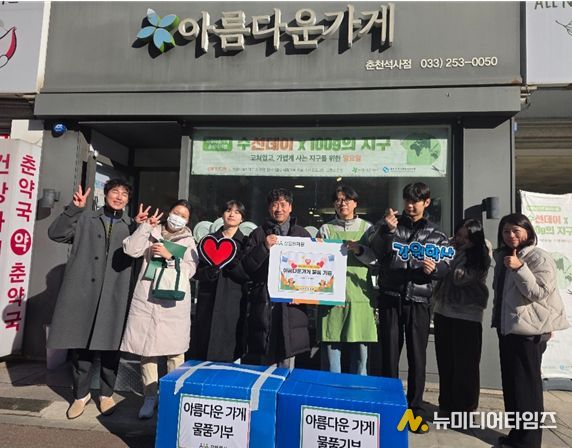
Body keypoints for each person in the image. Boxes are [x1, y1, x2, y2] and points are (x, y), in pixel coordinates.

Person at [47, 178, 138, 419]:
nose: (119, 197)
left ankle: (106, 394)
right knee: (82, 347)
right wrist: (74, 209)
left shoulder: (131, 224)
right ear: (105, 194)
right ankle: (81, 395)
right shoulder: (86, 218)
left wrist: (141, 228)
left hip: (115, 293)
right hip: (84, 293)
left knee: (111, 348)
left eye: (124, 194)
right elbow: (56, 234)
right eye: (115, 192)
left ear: (128, 200)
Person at [369, 182, 450, 432]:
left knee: (417, 356)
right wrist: (389, 232)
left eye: (416, 201)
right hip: (391, 297)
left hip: (419, 300)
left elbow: (446, 264)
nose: (411, 205)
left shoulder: (436, 233)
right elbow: (376, 252)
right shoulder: (389, 225)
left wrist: (435, 269)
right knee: (389, 354)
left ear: (426, 203)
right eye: (408, 200)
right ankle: (389, 407)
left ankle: (415, 410)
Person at [492, 213, 569, 448]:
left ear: (528, 231)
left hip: (530, 333)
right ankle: (517, 434)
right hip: (509, 329)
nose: (511, 235)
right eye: (506, 231)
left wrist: (520, 268)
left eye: (516, 230)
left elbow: (539, 292)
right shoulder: (505, 256)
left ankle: (529, 441)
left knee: (527, 389)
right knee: (513, 386)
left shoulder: (538, 257)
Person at [121, 200, 199, 419]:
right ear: (168, 212)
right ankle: (149, 397)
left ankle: (172, 397)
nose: (178, 217)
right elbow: (131, 250)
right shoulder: (152, 231)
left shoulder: (189, 241)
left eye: (183, 215)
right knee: (147, 350)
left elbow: (191, 270)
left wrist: (170, 256)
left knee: (175, 352)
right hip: (148, 297)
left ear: (188, 221)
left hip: (173, 301)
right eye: (176, 212)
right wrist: (145, 226)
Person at [242, 188, 311, 368]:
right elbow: (247, 267)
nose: (279, 209)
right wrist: (264, 247)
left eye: (283, 204)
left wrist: (303, 295)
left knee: (288, 360)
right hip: (265, 302)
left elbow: (311, 271)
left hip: (292, 307)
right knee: (265, 359)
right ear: (269, 208)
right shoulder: (258, 234)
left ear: (290, 207)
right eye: (274, 205)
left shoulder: (302, 235)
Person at [433, 218, 491, 415]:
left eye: (466, 238)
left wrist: (450, 256)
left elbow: (460, 278)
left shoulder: (480, 255)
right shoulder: (449, 248)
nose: (460, 240)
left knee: (465, 365)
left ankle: (465, 408)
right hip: (443, 311)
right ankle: (446, 404)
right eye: (458, 235)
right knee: (445, 362)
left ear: (475, 239)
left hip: (467, 315)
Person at [317, 185, 377, 375]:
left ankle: (358, 389)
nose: (342, 203)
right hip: (331, 295)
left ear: (355, 203)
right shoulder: (326, 229)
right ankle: (330, 389)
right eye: (338, 200)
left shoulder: (367, 229)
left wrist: (359, 250)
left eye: (347, 199)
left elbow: (376, 260)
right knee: (331, 349)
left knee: (360, 352)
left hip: (360, 295)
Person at [190, 200, 250, 363]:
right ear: (222, 215)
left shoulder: (245, 242)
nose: (232, 215)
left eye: (237, 212)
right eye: (228, 210)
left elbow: (248, 273)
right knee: (205, 340)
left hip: (234, 299)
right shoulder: (208, 240)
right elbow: (196, 271)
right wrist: (209, 272)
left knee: (230, 342)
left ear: (242, 218)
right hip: (209, 298)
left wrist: (232, 264)